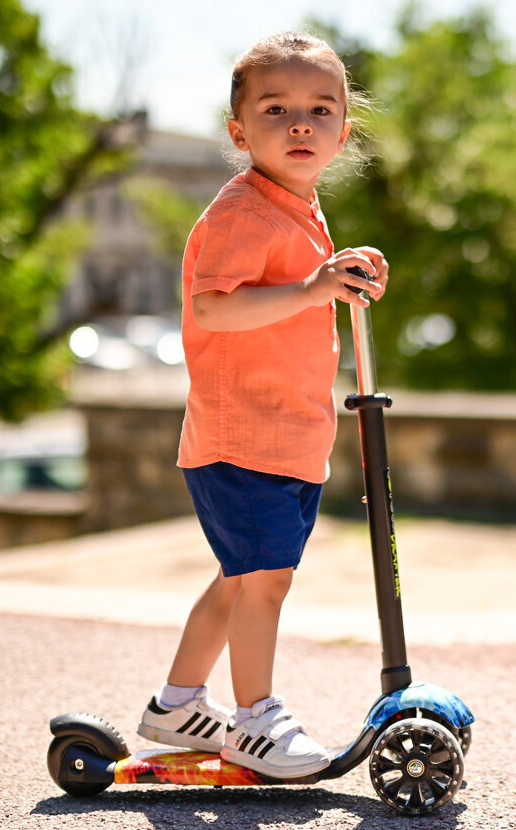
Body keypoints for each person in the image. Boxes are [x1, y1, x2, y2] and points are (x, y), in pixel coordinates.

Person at [135, 32, 388, 779]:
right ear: (239, 132)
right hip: (242, 434)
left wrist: (340, 274)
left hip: (286, 434)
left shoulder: (298, 208)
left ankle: (176, 705)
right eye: (276, 110)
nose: (300, 124)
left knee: (241, 576)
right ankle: (257, 720)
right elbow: (213, 309)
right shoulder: (243, 211)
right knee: (264, 581)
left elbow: (300, 294)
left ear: (345, 129)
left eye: (320, 109)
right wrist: (313, 289)